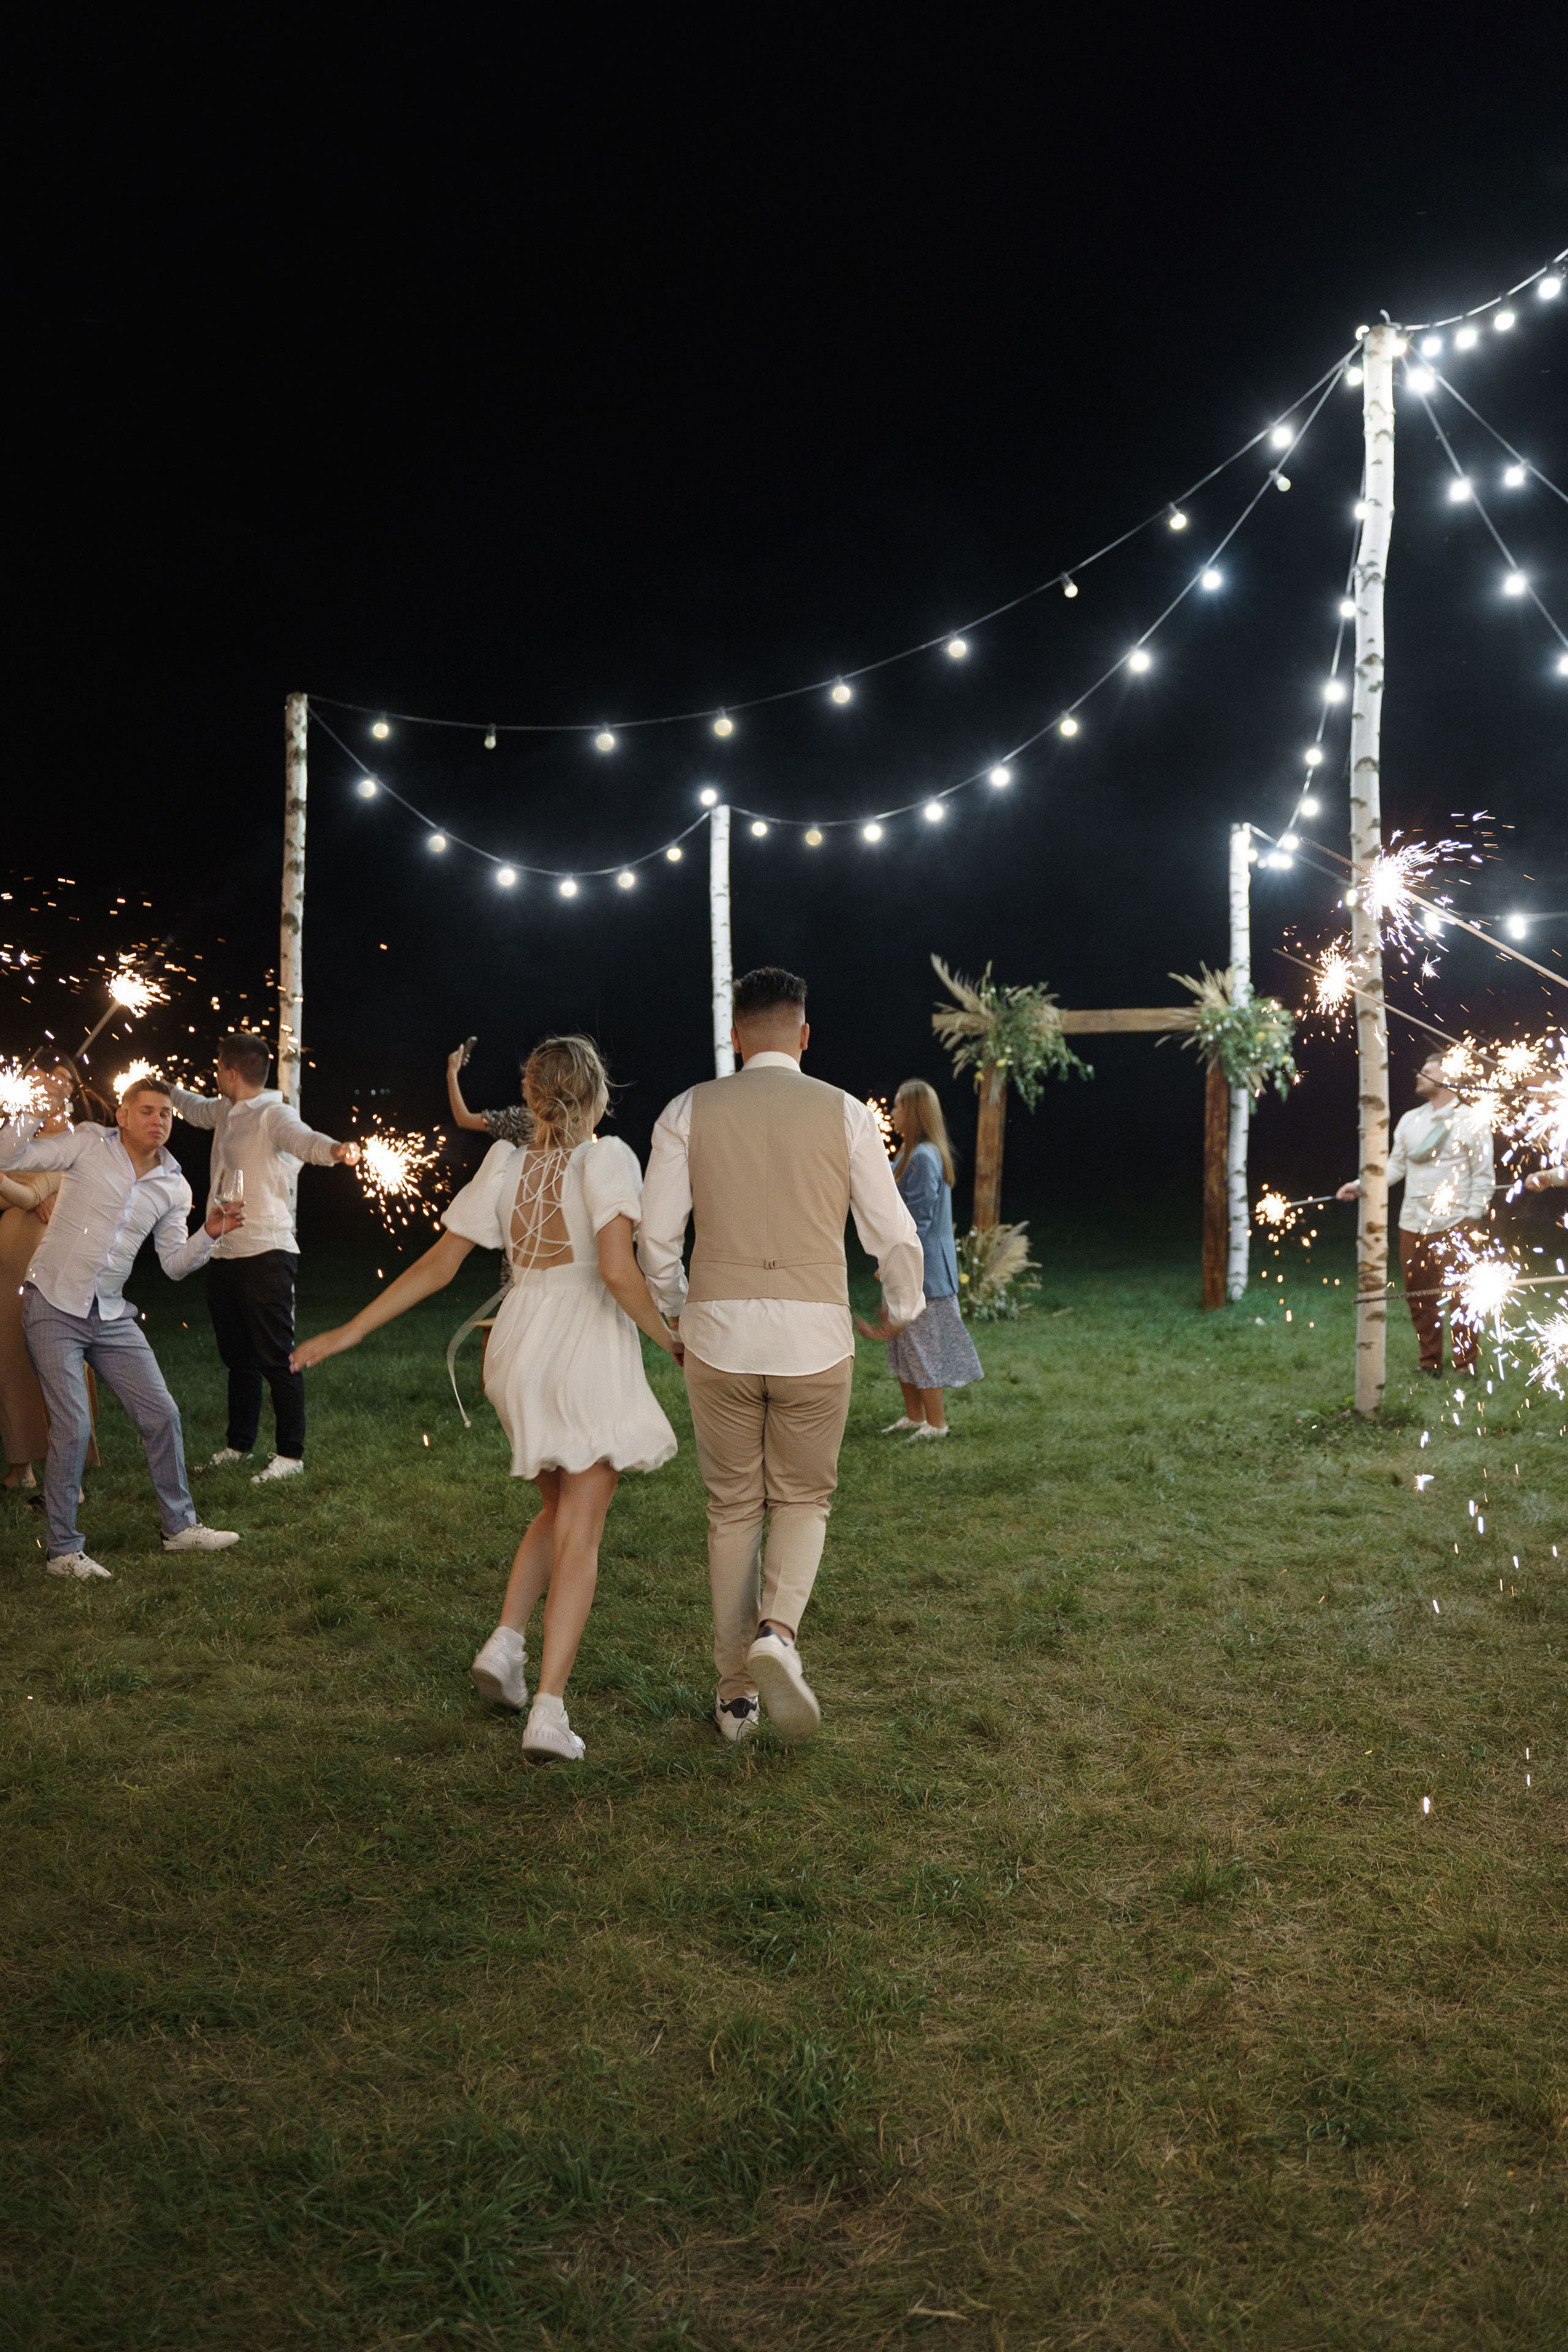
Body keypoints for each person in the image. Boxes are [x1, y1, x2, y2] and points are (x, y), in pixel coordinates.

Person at [293, 1036, 680, 1762]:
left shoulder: (503, 1161)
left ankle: (506, 1644)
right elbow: (617, 1271)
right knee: (582, 1532)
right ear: (596, 1094)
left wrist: (350, 1331)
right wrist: (671, 1340)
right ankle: (549, 1712)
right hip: (580, 1344)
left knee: (557, 1510)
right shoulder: (607, 1159)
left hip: (514, 1346)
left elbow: (439, 1266)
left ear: (531, 1096)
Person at [639, 966, 924, 1746]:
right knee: (802, 1498)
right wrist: (903, 1307)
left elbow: (656, 1239)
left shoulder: (686, 1110)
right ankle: (778, 1633)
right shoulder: (845, 1113)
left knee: (732, 1508)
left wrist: (677, 1311)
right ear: (803, 1035)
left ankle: (736, 1697)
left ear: (736, 1035)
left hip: (718, 1336)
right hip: (814, 1336)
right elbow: (893, 1233)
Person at [0, 1074, 243, 1579]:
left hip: (110, 1315)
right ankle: (63, 1552)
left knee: (162, 1413)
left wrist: (209, 1234)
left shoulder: (175, 1185)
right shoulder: (87, 1143)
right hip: (52, 1304)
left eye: (166, 1113)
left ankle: (179, 1528)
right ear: (124, 1116)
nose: (159, 1120)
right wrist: (33, 1107)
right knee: (74, 1425)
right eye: (148, 1111)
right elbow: (8, 1156)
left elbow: (174, 1264)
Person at [170, 1035, 359, 1484]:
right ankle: (239, 1445)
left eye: (218, 1067)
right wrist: (163, 1089)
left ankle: (291, 1455)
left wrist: (337, 1150)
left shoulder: (274, 1114)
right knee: (238, 1358)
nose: (216, 1074)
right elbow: (193, 1108)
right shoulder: (224, 1109)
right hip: (225, 1250)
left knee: (275, 1356)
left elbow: (305, 1141)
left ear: (231, 1072)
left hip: (267, 1253)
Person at [1336, 1052, 1494, 1376]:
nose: (1418, 1075)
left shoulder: (1472, 1120)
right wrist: (1360, 1185)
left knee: (1463, 1297)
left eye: (1427, 1070)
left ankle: (1466, 1365)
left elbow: (1483, 1175)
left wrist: (1472, 1218)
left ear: (1448, 1077)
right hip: (1413, 1221)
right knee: (1419, 1296)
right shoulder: (1410, 1120)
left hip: (1457, 1222)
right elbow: (1395, 1166)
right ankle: (1429, 1361)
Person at [858, 1078, 984, 1436]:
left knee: (922, 1344)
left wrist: (896, 1264)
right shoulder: (908, 1155)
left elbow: (919, 1221)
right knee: (903, 1346)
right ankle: (914, 1416)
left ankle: (936, 1423)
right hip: (906, 1265)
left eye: (899, 1106)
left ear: (913, 1112)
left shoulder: (924, 1157)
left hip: (923, 1271)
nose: (893, 1112)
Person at [2, 1062, 104, 1492]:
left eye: (64, 1079)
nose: (55, 1084)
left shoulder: (80, 1141)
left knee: (56, 1360)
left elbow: (34, 1194)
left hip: (55, 1264)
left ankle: (68, 1470)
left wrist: (43, 1194)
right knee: (10, 1357)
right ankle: (21, 1465)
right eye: (48, 1077)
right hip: (8, 1265)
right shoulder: (13, 1135)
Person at [447, 1039, 533, 1144]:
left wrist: (452, 1072)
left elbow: (464, 1119)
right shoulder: (552, 1120)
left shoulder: (521, 1120)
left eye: (530, 1077)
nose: (523, 1081)